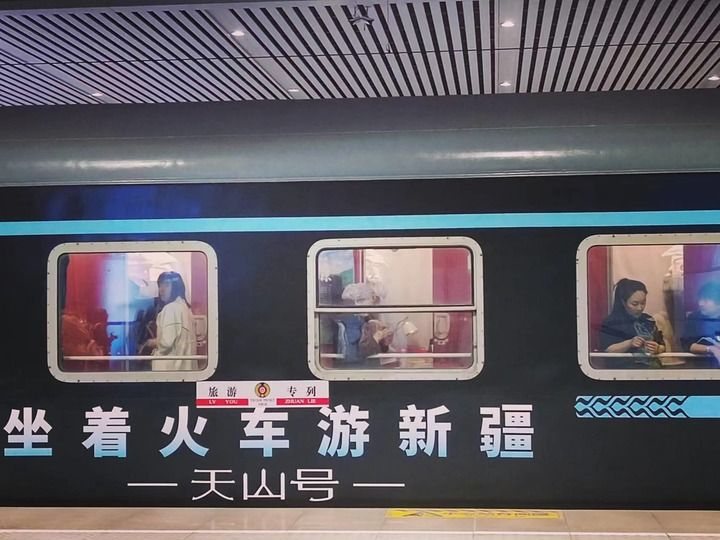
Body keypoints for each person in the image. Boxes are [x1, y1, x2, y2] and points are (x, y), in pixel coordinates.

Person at [599, 278, 665, 358]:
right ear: (623, 302)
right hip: (626, 365)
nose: (640, 308)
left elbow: (662, 346)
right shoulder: (611, 322)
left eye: (643, 303)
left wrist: (658, 348)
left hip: (652, 364)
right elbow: (607, 350)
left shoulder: (648, 320)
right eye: (634, 304)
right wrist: (629, 343)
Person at [143, 271, 196, 371]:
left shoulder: (171, 309)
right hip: (184, 370)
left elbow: (166, 344)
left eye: (166, 285)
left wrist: (152, 342)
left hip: (169, 370)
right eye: (160, 285)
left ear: (176, 287)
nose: (161, 290)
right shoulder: (186, 309)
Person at [681, 282, 720, 366]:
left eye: (705, 301)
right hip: (701, 367)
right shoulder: (693, 318)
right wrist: (711, 349)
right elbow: (687, 345)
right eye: (700, 299)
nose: (700, 304)